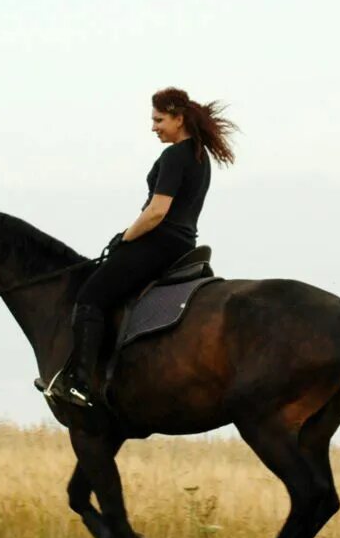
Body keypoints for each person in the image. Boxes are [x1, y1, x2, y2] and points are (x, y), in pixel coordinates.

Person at [49, 87, 239, 408]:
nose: (153, 127)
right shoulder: (199, 156)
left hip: (159, 242)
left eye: (159, 120)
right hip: (183, 244)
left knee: (90, 297)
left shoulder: (175, 155)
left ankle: (80, 383)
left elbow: (156, 212)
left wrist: (124, 237)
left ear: (179, 119)